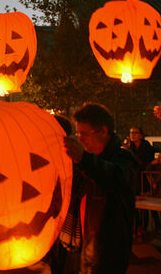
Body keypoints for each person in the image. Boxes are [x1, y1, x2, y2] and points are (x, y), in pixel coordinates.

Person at [63, 102, 137, 274]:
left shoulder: (123, 158)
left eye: (84, 134)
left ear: (103, 131)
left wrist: (84, 159)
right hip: (82, 248)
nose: (80, 139)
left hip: (106, 253)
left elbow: (115, 177)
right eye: (78, 134)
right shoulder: (86, 164)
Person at [128, 127, 155, 239]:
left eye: (135, 133)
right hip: (133, 179)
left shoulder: (147, 147)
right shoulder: (131, 147)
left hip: (143, 179)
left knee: (144, 206)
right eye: (131, 133)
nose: (133, 135)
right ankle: (137, 226)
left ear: (141, 135)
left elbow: (143, 163)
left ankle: (144, 227)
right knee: (133, 205)